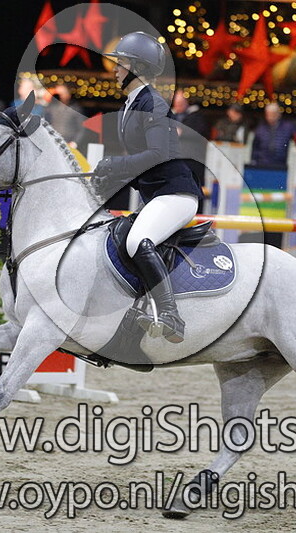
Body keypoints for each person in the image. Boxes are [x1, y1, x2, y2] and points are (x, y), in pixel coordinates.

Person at [95, 32, 203, 343]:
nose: (115, 69)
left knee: (137, 241)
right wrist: (108, 178)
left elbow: (158, 155)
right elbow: (140, 163)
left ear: (137, 68)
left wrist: (115, 165)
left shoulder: (153, 102)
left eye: (121, 63)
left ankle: (170, 315)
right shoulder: (130, 105)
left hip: (176, 193)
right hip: (156, 195)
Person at [171, 89, 209, 191]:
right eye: (176, 103)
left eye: (180, 103)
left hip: (192, 159)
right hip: (174, 158)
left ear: (186, 102)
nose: (178, 106)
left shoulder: (197, 116)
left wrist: (182, 132)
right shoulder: (171, 116)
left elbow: (200, 132)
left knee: (192, 187)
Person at [250, 102, 296, 167]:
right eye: (268, 114)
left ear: (279, 114)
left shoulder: (288, 127)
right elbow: (255, 148)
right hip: (261, 164)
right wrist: (253, 162)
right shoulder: (260, 129)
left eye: (273, 114)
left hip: (281, 165)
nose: (270, 117)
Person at [45, 83, 86, 149]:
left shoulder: (75, 109)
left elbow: (82, 128)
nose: (60, 96)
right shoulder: (51, 108)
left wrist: (74, 142)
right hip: (53, 143)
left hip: (68, 145)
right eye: (58, 94)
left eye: (62, 94)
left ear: (68, 95)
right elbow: (45, 123)